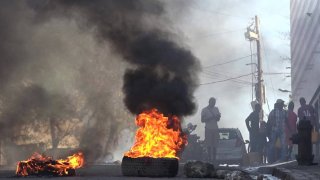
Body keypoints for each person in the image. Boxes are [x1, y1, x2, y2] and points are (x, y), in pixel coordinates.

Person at [201, 97, 221, 163]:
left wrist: (218, 116)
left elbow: (218, 119)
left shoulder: (216, 109)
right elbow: (202, 120)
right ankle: (210, 159)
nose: (214, 104)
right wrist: (210, 117)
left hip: (215, 128)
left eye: (214, 102)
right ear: (209, 102)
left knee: (215, 144)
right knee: (209, 145)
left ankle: (214, 159)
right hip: (208, 129)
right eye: (213, 102)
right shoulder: (204, 110)